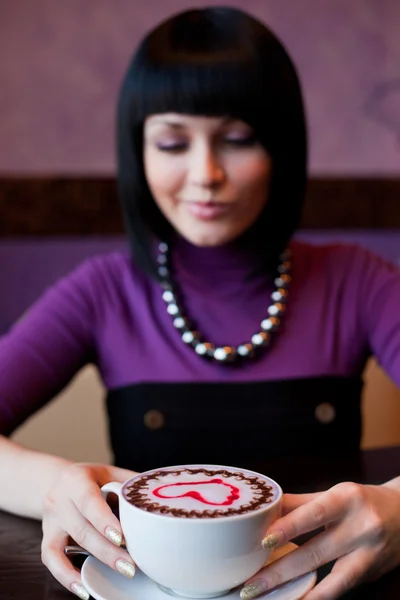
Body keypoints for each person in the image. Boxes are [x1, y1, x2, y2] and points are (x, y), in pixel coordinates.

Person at [0, 6, 399, 600]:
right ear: (139, 153)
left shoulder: (355, 279)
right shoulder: (103, 290)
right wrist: (55, 484)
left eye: (236, 139)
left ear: (281, 151)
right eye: (171, 141)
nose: (204, 173)